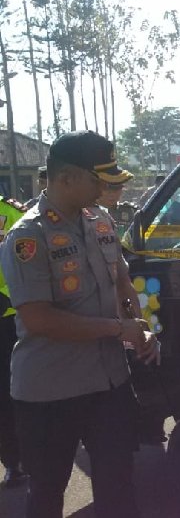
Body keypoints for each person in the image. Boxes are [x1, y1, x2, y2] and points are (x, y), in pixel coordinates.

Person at [0, 130, 159, 518]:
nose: (105, 187)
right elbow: (38, 319)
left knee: (119, 486)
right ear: (66, 177)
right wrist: (116, 329)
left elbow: (120, 279)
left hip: (108, 384)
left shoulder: (100, 220)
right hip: (51, 391)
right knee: (48, 494)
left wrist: (138, 323)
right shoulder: (28, 236)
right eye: (97, 178)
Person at [0, 196, 27, 489]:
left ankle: (32, 455)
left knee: (21, 391)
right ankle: (12, 461)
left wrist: (8, 296)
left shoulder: (13, 214)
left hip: (14, 318)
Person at [96, 168, 137, 239]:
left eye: (117, 188)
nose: (112, 194)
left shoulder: (130, 212)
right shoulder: (85, 214)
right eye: (106, 189)